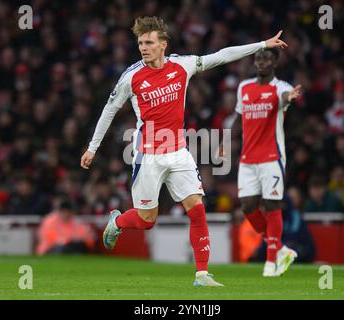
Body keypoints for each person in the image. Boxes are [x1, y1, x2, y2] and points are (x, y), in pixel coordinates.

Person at [80, 16, 288, 286]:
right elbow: (109, 110)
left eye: (149, 43)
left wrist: (262, 43)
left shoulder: (182, 65)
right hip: (148, 155)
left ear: (163, 44)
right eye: (140, 43)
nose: (143, 47)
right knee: (147, 221)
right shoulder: (131, 78)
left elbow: (221, 56)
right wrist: (92, 148)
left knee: (197, 209)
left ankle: (202, 274)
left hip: (178, 152)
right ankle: (118, 223)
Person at [218, 47, 301, 277]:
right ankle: (282, 249)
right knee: (247, 206)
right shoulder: (244, 87)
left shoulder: (281, 88)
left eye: (266, 58)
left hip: (272, 157)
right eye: (258, 58)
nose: (261, 62)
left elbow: (285, 97)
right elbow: (238, 116)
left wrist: (290, 98)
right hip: (248, 158)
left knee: (272, 205)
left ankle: (271, 260)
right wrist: (226, 141)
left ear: (275, 63)